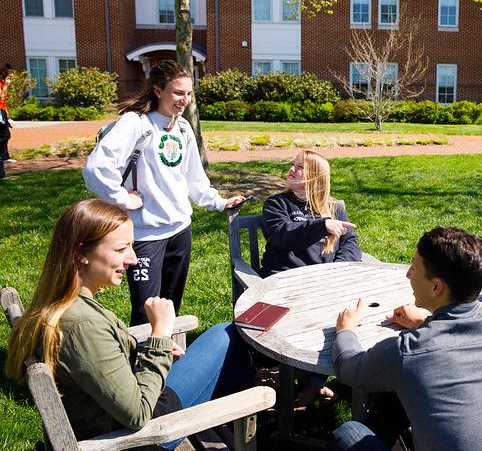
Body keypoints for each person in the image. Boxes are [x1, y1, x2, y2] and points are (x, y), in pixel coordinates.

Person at [5, 199, 254, 446]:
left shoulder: (65, 306)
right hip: (137, 435)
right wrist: (160, 335)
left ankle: (223, 429)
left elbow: (100, 369)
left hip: (115, 412)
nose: (133, 259)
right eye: (121, 249)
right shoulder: (81, 324)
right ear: (81, 254)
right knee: (229, 336)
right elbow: (137, 413)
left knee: (224, 338)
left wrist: (154, 353)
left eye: (132, 247)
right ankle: (243, 430)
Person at [330, 226, 482, 451]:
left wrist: (345, 329)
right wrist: (426, 322)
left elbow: (349, 369)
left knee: (349, 432)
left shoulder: (408, 352)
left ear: (436, 287)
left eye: (413, 266)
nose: (408, 274)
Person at [83, 60, 244, 325]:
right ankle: (140, 363)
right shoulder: (135, 123)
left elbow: (194, 178)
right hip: (146, 234)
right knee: (145, 312)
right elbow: (96, 168)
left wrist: (218, 202)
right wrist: (123, 199)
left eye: (189, 93)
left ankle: (168, 359)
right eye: (178, 93)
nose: (185, 100)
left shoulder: (182, 128)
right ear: (158, 90)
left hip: (181, 231)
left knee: (170, 307)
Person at [260, 149, 362, 275]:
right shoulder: (276, 203)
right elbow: (282, 234)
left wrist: (338, 268)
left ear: (316, 177)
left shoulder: (333, 207)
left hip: (325, 277)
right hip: (285, 276)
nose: (292, 169)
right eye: (293, 164)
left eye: (300, 167)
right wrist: (323, 226)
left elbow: (349, 242)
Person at [0, 63, 16, 180]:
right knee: (4, 134)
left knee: (5, 134)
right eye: (9, 78)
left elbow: (4, 103)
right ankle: (3, 156)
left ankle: (4, 156)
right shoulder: (1, 85)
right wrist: (5, 85)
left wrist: (8, 117)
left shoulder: (4, 86)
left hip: (2, 112)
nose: (10, 80)